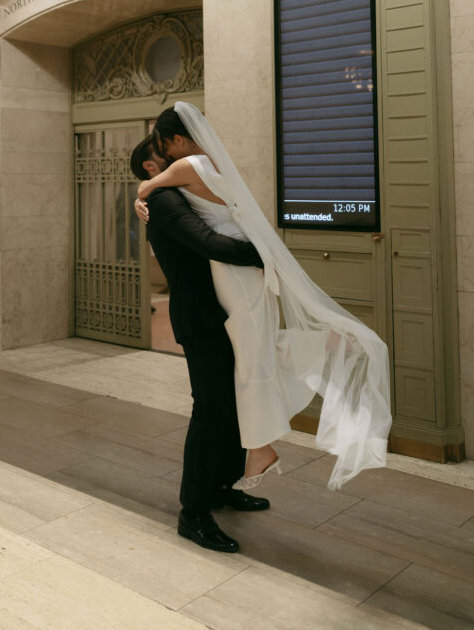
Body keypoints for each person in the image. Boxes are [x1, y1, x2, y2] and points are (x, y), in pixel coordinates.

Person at [136, 103, 392, 492]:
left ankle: (262, 444)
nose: (167, 155)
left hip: (234, 272)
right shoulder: (214, 164)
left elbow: (146, 186)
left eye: (165, 146)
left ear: (177, 139)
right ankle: (264, 439)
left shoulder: (188, 166)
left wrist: (140, 197)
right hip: (243, 271)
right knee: (256, 350)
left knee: (252, 358)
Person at [130, 134, 268, 554]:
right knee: (210, 410)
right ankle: (193, 513)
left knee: (230, 405)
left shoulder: (171, 194)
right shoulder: (163, 201)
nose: (178, 155)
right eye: (167, 153)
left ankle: (222, 486)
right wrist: (266, 253)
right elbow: (209, 244)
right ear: (152, 167)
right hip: (200, 317)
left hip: (222, 311)